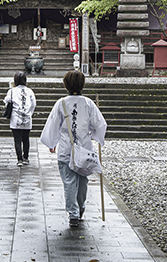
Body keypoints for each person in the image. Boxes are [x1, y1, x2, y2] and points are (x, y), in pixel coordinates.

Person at [40, 70, 107, 227]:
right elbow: (100, 124)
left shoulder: (61, 103)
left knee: (69, 181)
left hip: (66, 149)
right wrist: (96, 136)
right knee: (83, 181)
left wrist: (52, 143)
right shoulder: (89, 103)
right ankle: (81, 207)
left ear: (66, 85)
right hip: (84, 148)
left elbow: (53, 124)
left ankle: (73, 214)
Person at [4, 71, 37, 167]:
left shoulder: (12, 91)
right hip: (27, 117)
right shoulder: (29, 91)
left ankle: (19, 159)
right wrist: (29, 113)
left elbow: (6, 101)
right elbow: (34, 104)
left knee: (17, 139)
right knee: (26, 138)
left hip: (15, 118)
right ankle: (26, 157)